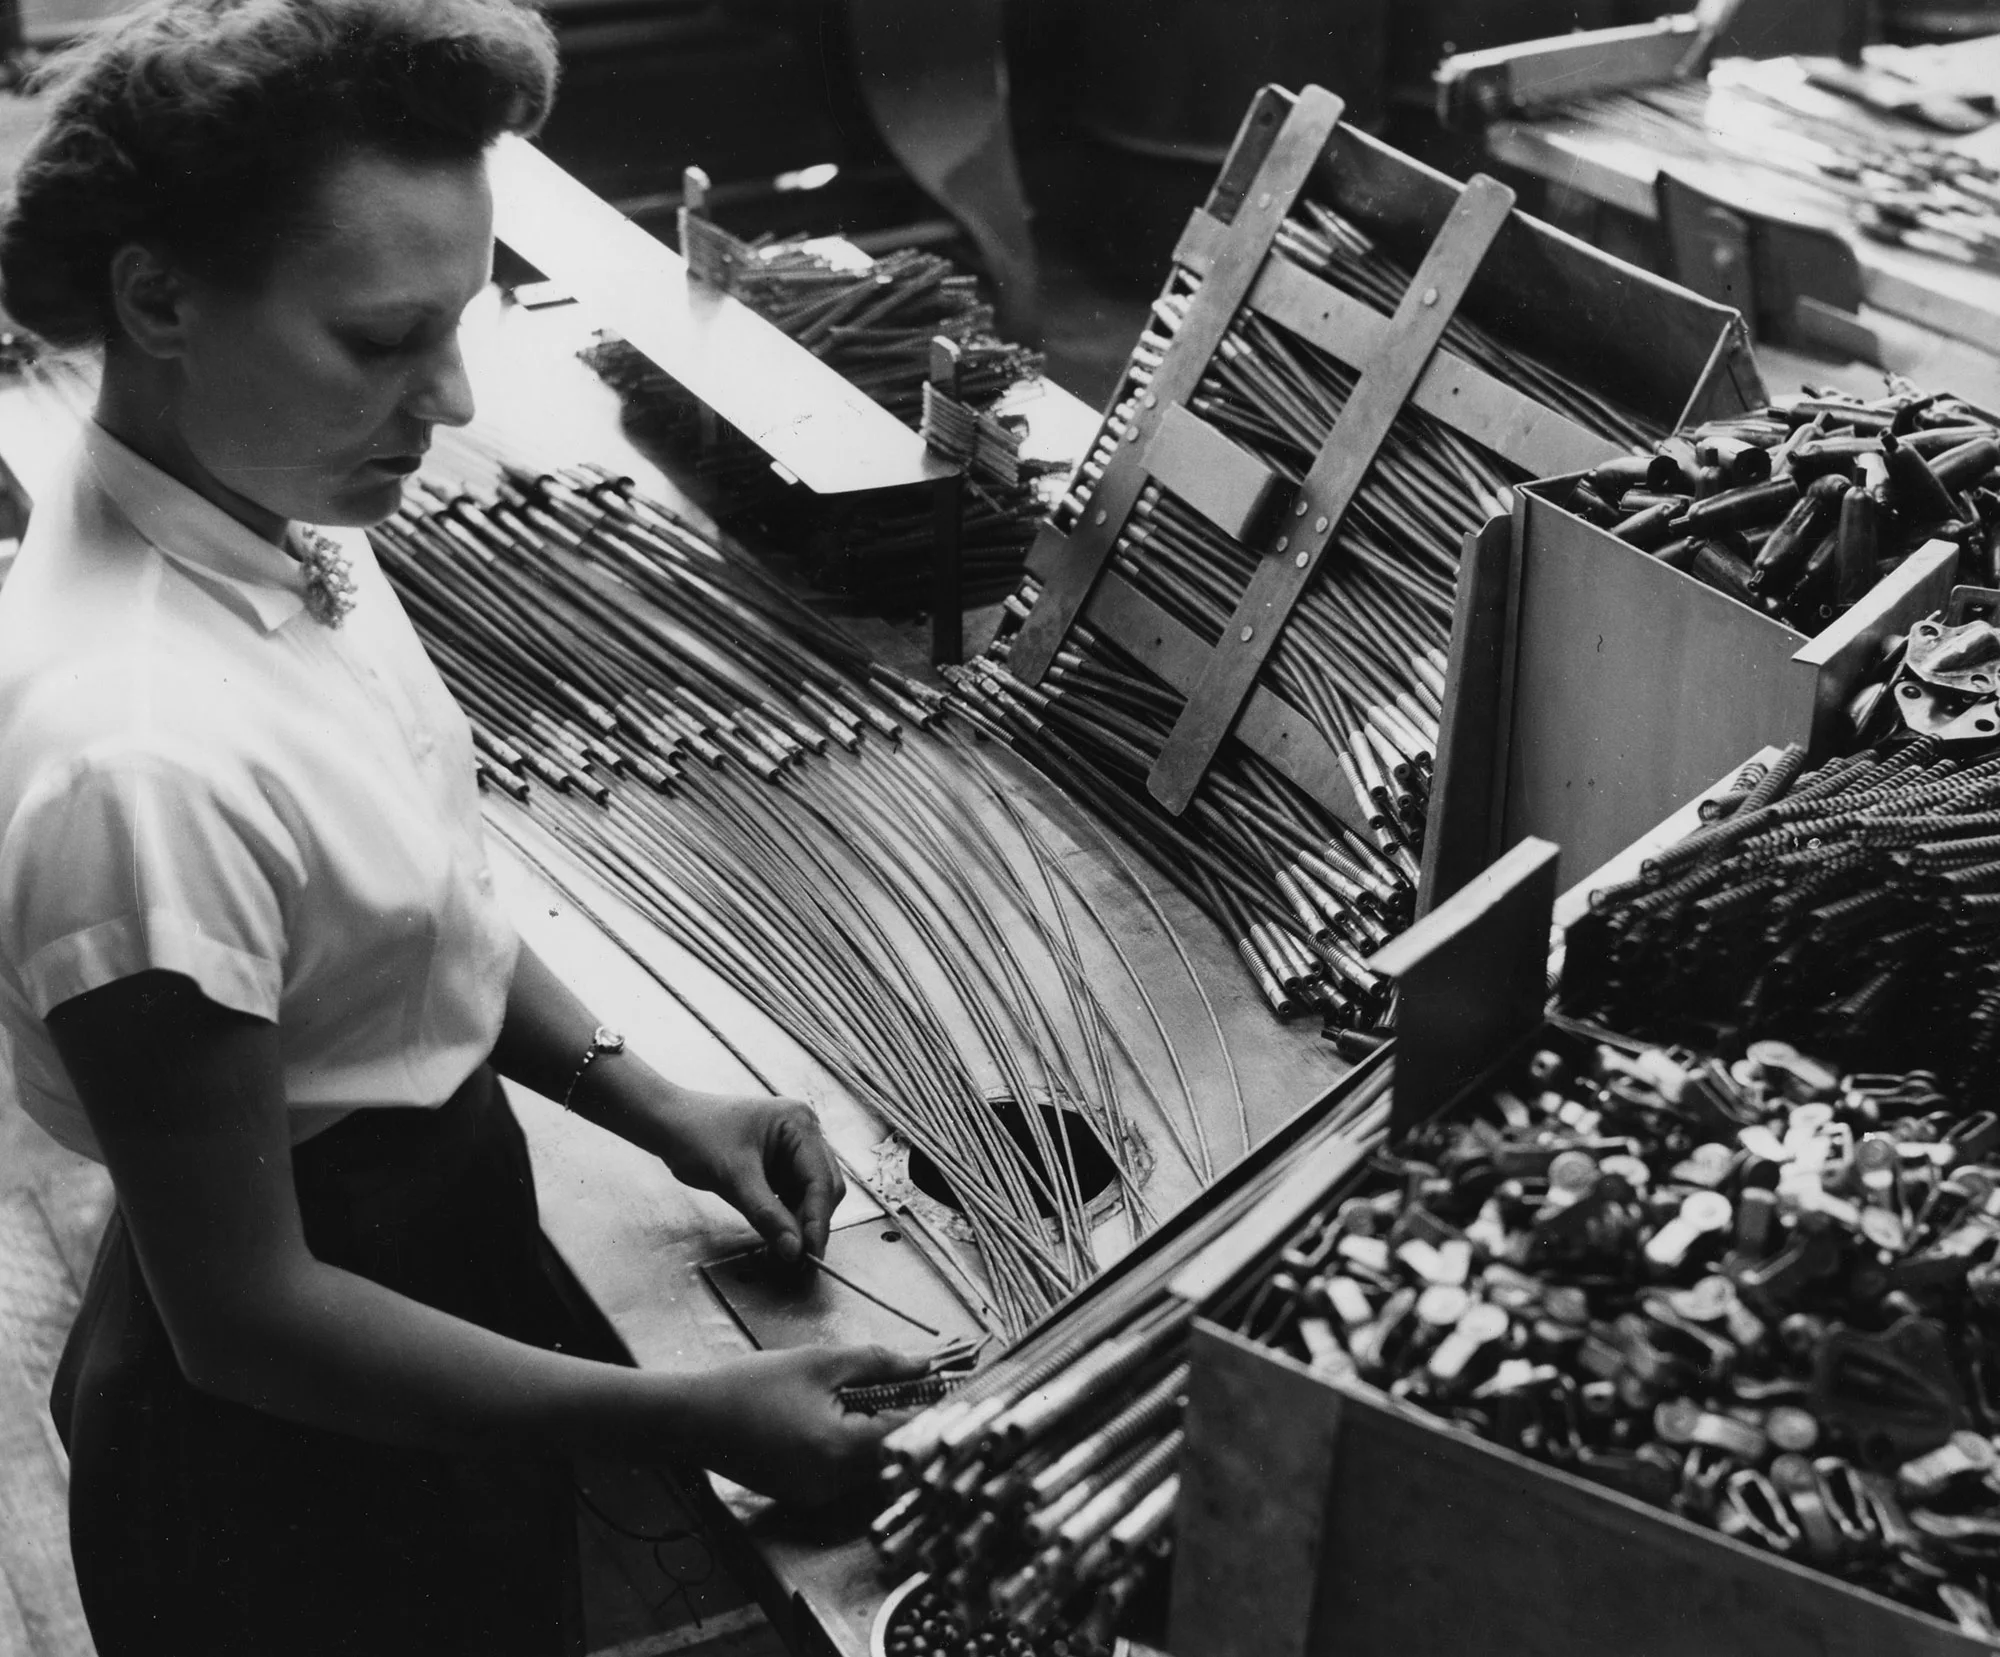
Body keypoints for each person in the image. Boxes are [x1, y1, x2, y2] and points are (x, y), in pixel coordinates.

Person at [0, 3, 925, 1653]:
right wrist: (696, 1417)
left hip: (425, 1270)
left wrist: (646, 1100)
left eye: (461, 322)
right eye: (380, 339)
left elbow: (401, 908)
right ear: (158, 300)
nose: (450, 394)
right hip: (286, 1455)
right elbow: (253, 1320)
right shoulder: (134, 759)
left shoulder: (272, 513)